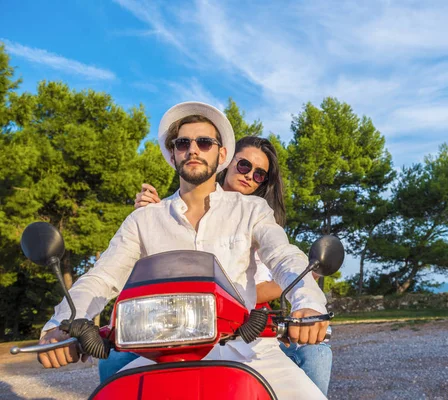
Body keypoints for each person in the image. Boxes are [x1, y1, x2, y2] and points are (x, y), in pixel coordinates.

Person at [36, 101, 329, 400]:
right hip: (161, 356)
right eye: (183, 143)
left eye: (204, 142)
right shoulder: (144, 219)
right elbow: (103, 276)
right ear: (173, 153)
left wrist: (308, 304)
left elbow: (283, 256)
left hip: (250, 351)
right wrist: (62, 324)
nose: (193, 149)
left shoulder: (252, 209)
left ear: (222, 155)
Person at [125, 135, 333, 395]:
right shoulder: (171, 209)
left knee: (316, 356)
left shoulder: (258, 216)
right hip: (181, 323)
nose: (249, 176)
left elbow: (283, 258)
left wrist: (307, 298)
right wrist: (150, 220)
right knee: (115, 365)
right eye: (244, 165)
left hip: (248, 327)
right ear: (225, 159)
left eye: (259, 175)